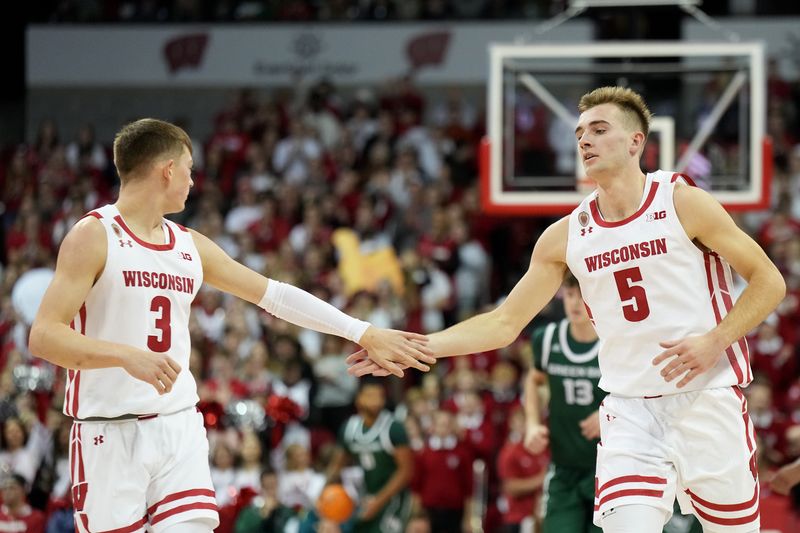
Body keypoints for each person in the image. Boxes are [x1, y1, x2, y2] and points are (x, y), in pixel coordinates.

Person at [349, 86, 786, 533]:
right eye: (580, 133)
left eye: (599, 130)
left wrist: (716, 340)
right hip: (630, 409)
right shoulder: (565, 235)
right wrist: (416, 346)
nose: (585, 141)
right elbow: (504, 322)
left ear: (636, 142)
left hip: (707, 398)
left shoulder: (682, 202)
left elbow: (770, 281)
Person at [28, 118, 434, 533]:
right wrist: (125, 356)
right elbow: (43, 336)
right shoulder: (94, 236)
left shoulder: (189, 244)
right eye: (188, 168)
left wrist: (362, 331)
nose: (192, 180)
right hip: (108, 431)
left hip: (177, 424)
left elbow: (275, 295)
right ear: (167, 169)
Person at [524, 273, 603, 533]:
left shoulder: (614, 341)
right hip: (563, 468)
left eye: (583, 296)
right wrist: (532, 424)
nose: (576, 303)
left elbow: (643, 391)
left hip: (609, 468)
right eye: (570, 295)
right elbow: (533, 380)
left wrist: (611, 413)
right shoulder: (546, 340)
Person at [327, 380, 413, 533]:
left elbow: (406, 471)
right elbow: (336, 466)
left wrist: (379, 501)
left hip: (392, 500)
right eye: (370, 396)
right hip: (364, 498)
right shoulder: (349, 428)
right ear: (358, 399)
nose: (376, 401)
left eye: (380, 396)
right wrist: (325, 494)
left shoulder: (394, 428)